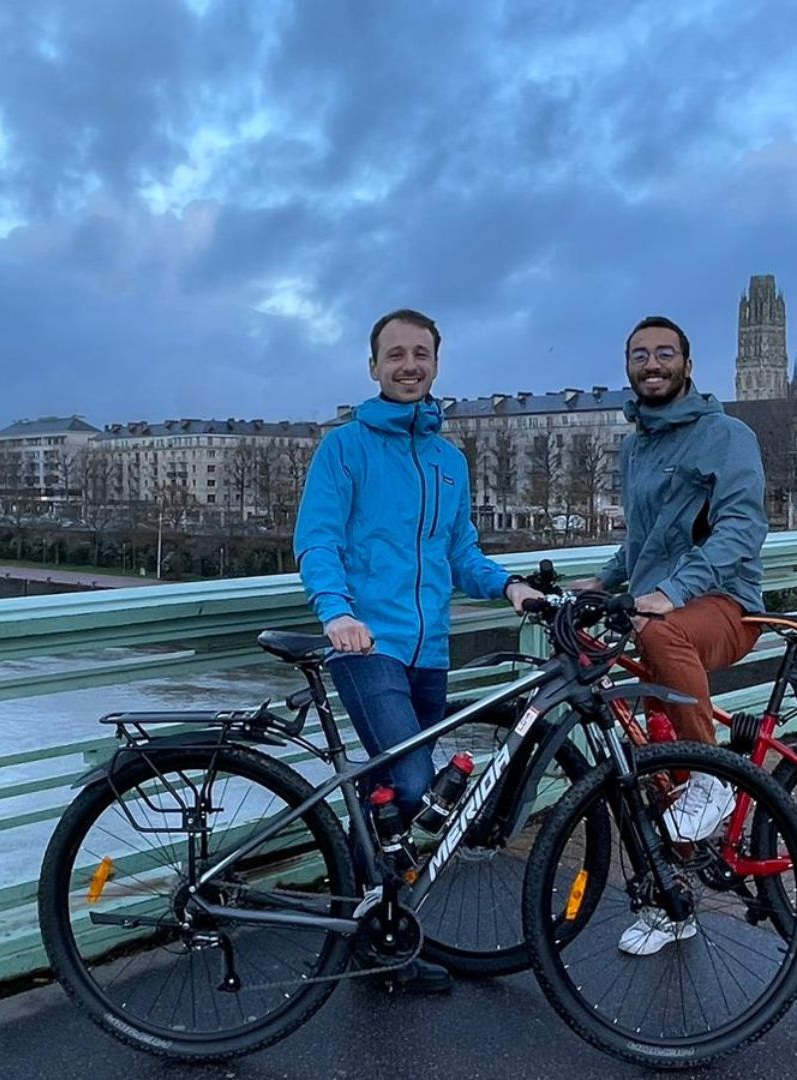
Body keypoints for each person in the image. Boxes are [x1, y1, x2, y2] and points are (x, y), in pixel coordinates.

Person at [294, 308, 544, 991]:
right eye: (395, 354)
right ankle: (373, 938)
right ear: (372, 367)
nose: (409, 365)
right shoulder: (343, 448)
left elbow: (459, 552)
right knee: (411, 786)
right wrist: (337, 613)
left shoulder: (447, 459)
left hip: (429, 649)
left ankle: (374, 935)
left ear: (436, 363)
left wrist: (509, 587)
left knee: (392, 801)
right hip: (367, 644)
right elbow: (318, 539)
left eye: (421, 354)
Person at [578, 314, 767, 956]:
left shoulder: (727, 436)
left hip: (723, 604)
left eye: (664, 353)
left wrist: (673, 594)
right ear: (628, 367)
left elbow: (742, 528)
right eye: (639, 354)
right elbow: (642, 544)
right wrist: (599, 587)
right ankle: (672, 902)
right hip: (654, 614)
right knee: (655, 762)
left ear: (688, 364)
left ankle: (718, 778)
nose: (651, 363)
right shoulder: (636, 446)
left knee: (663, 647)